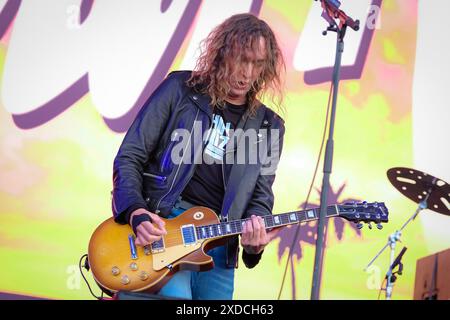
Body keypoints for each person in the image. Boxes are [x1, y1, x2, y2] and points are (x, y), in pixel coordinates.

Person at [111, 13, 285, 300]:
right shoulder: (180, 90)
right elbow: (130, 155)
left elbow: (261, 198)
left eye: (258, 64)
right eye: (242, 59)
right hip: (164, 227)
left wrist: (256, 240)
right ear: (222, 54)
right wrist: (136, 211)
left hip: (220, 243)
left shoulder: (270, 127)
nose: (247, 73)